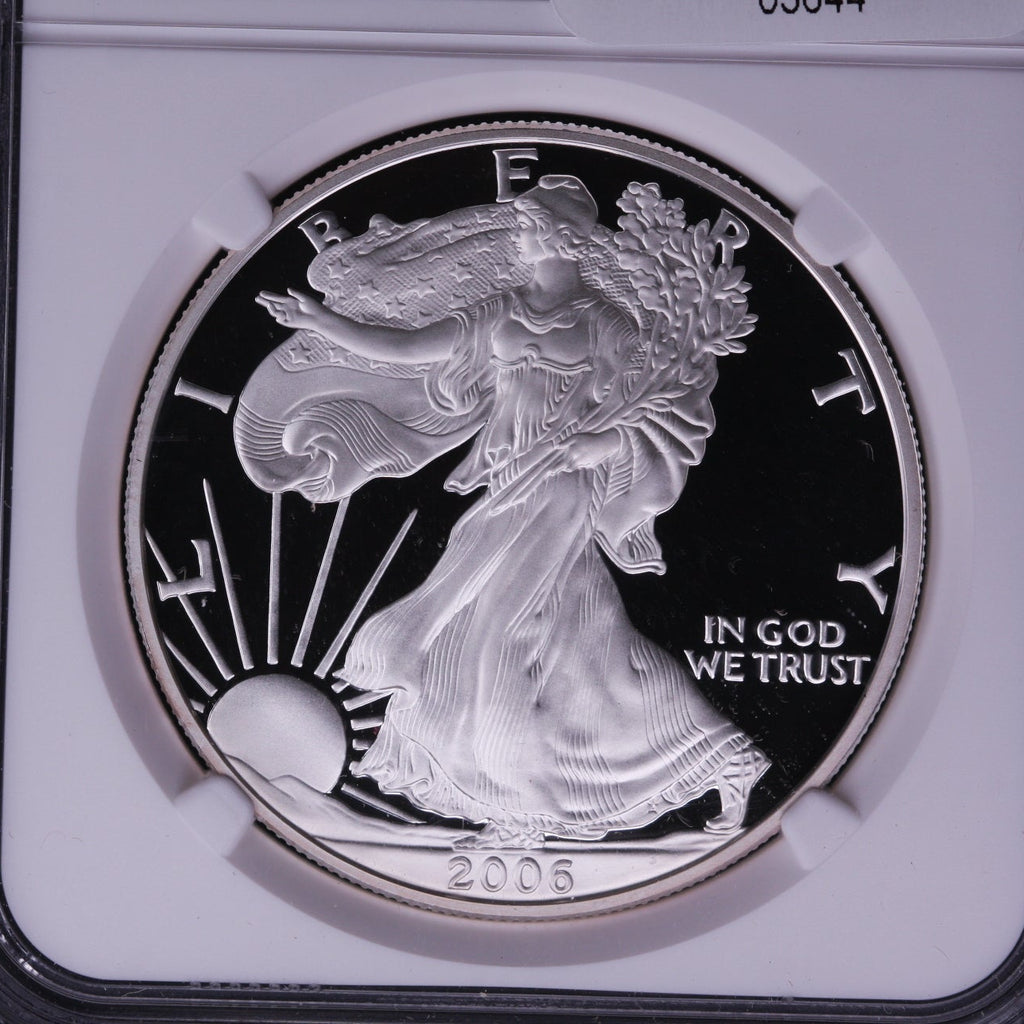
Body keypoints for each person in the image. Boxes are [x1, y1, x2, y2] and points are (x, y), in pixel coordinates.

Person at [255, 176, 768, 848]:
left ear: (557, 237)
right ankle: (722, 758)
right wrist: (324, 323)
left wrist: (603, 442)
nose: (516, 238)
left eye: (526, 227)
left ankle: (523, 808)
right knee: (585, 649)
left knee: (500, 634)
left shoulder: (606, 325)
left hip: (559, 491)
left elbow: (663, 410)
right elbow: (410, 347)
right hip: (507, 488)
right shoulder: (499, 311)